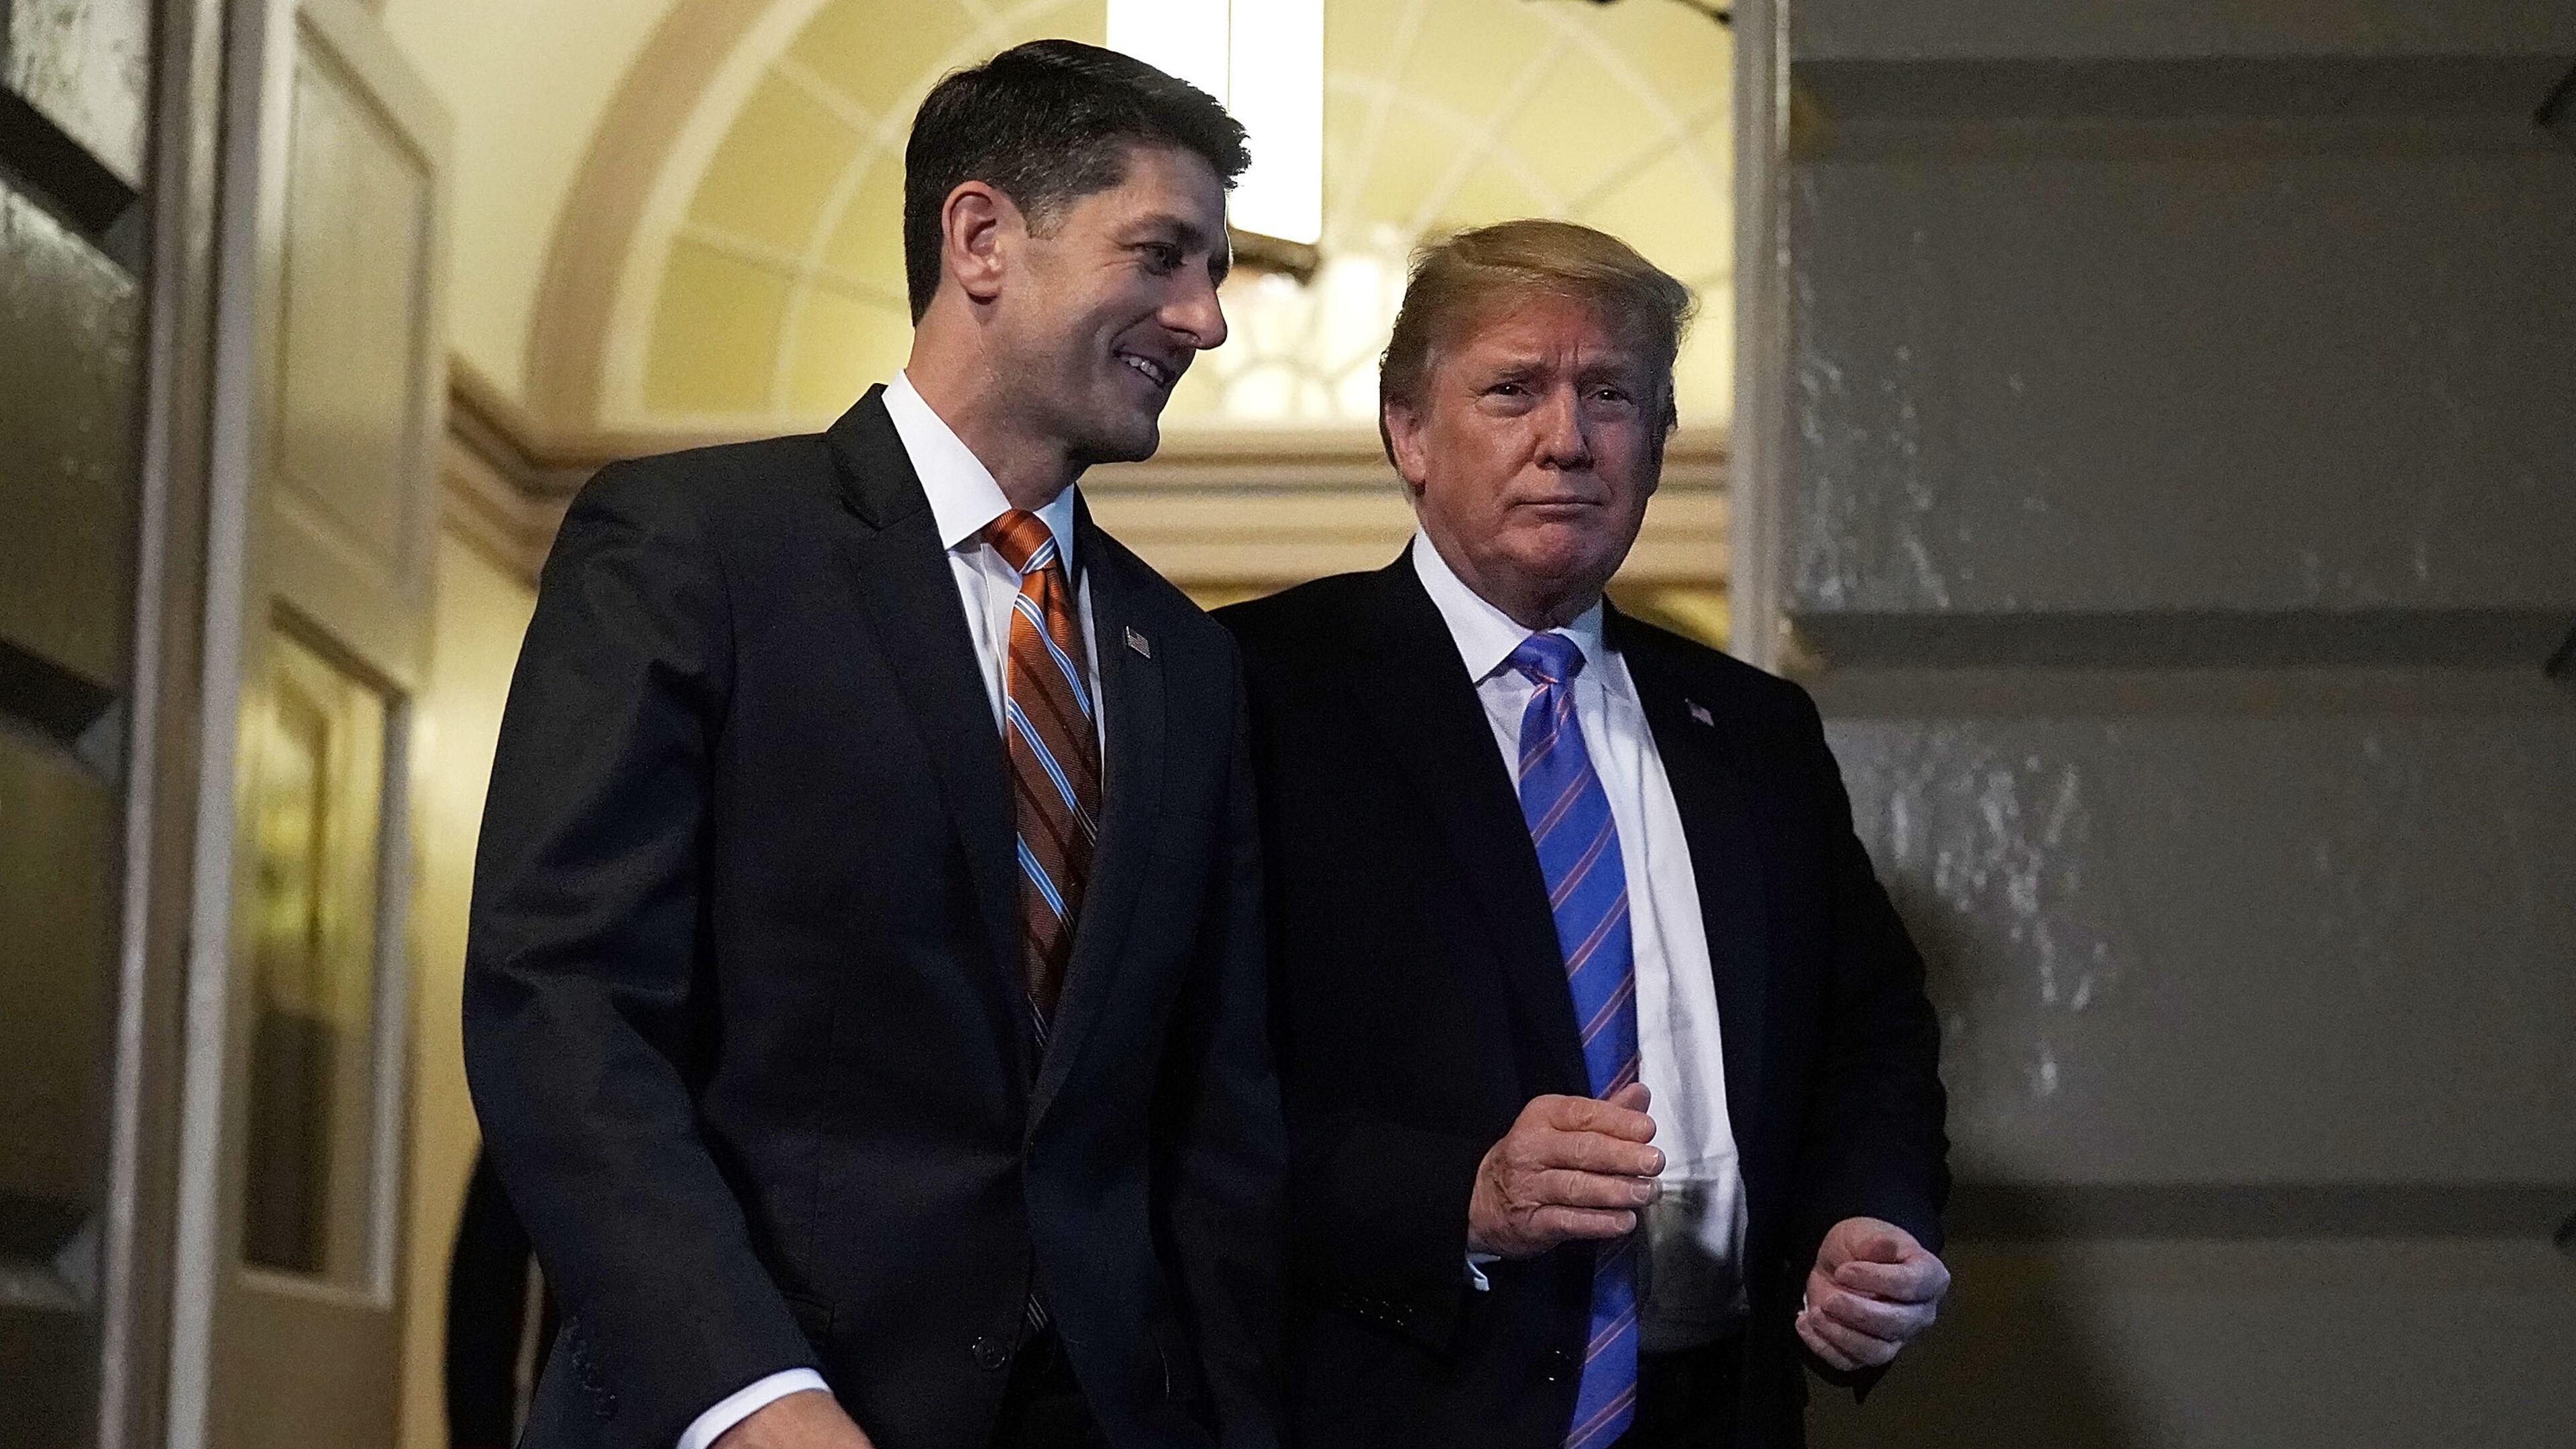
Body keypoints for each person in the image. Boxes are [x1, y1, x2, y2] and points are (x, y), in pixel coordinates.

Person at [464, 41, 1282, 1449]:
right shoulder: (693, 549)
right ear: (981, 240)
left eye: (1212, 271)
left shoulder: (1185, 658)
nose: (1205, 319)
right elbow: (563, 1010)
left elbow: (1212, 1119)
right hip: (746, 1409)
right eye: (1163, 254)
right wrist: (750, 1398)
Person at [1218, 220, 1950, 1449]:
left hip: (1714, 1413)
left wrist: (1864, 1222)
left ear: (1658, 443)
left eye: (1610, 394)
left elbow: (1868, 1040)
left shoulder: (1755, 731)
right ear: (1407, 429)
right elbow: (1183, 1090)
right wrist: (1460, 1194)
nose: (1566, 439)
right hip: (1393, 1407)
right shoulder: (1254, 691)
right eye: (1513, 390)